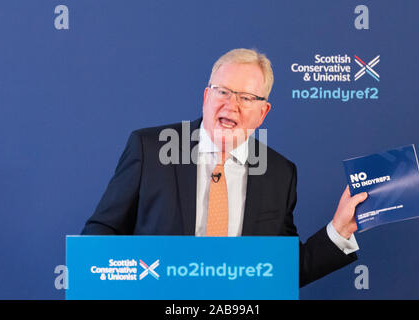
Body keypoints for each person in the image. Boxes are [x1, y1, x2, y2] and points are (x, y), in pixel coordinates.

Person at [81, 48, 368, 287]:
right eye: (223, 92)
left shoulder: (280, 174)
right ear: (206, 97)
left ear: (262, 112)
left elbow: (280, 271)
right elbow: (99, 236)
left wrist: (339, 230)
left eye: (246, 98)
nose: (231, 106)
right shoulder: (150, 149)